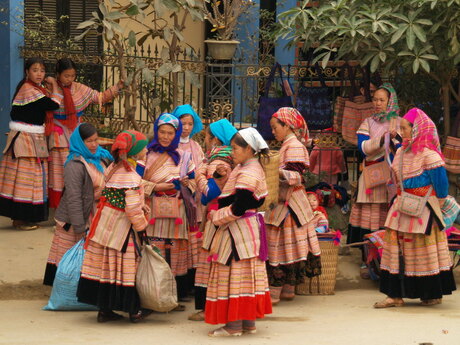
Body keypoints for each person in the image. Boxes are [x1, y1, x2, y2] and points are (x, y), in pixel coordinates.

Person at [374, 108, 457, 308]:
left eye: (405, 127)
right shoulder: (401, 152)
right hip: (400, 208)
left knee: (422, 251)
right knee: (395, 251)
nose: (402, 131)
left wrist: (436, 201)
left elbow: (442, 187)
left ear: (417, 129)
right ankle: (395, 295)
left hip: (423, 211)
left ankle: (429, 294)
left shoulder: (430, 156)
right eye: (401, 127)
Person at [205, 127, 272, 337]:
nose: (231, 152)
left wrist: (217, 217)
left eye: (234, 148)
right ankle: (247, 323)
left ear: (249, 149)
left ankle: (233, 326)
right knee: (247, 275)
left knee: (233, 274)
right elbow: (235, 196)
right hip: (247, 231)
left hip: (237, 230)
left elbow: (240, 205)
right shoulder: (248, 167)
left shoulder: (248, 171)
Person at [77, 130, 149, 323]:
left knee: (106, 267)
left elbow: (117, 197)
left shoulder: (114, 168)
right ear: (135, 152)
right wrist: (142, 228)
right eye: (144, 148)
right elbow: (132, 209)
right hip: (121, 229)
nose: (147, 150)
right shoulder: (130, 176)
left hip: (104, 224)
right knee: (125, 269)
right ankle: (133, 310)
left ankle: (105, 310)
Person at [43, 123, 112, 286]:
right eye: (89, 141)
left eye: (96, 140)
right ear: (80, 142)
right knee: (69, 255)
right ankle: (64, 290)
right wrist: (79, 227)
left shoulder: (102, 157)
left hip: (96, 213)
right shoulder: (75, 164)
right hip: (76, 217)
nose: (94, 144)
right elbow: (73, 198)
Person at [48, 58, 123, 208]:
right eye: (66, 76)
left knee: (79, 169)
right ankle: (60, 207)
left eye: (72, 75)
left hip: (77, 135)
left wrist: (117, 87)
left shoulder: (79, 88)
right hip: (58, 136)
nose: (70, 79)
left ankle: (77, 203)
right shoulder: (50, 88)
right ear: (58, 74)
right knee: (60, 172)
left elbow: (99, 97)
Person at [347, 83, 401, 279]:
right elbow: (363, 148)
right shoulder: (367, 122)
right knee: (367, 220)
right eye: (375, 99)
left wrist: (395, 140)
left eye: (381, 100)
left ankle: (386, 261)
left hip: (390, 180)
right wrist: (383, 140)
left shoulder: (398, 123)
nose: (377, 103)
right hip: (371, 178)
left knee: (386, 220)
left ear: (390, 101)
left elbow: (404, 148)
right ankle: (366, 261)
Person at [0, 57, 62, 230]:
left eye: (42, 70)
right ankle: (20, 219)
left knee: (29, 179)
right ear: (27, 71)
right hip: (25, 139)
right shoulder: (28, 89)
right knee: (25, 178)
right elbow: (54, 104)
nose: (39, 74)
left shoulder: (36, 89)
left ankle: (24, 218)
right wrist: (56, 86)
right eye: (35, 70)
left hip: (33, 138)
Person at [142, 113, 196, 307]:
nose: (165, 137)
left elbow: (195, 181)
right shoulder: (145, 154)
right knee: (155, 251)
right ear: (156, 132)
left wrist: (185, 183)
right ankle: (153, 294)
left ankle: (175, 295)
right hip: (152, 211)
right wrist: (156, 187)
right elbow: (135, 182)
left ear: (177, 134)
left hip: (177, 213)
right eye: (162, 132)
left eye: (170, 133)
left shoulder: (184, 157)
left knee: (175, 253)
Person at [265, 107, 318, 304]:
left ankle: (274, 293)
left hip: (289, 207)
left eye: (275, 127)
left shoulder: (293, 146)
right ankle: (288, 289)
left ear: (286, 126)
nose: (273, 131)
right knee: (290, 248)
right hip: (292, 205)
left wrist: (272, 170)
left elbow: (295, 177)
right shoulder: (290, 144)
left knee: (279, 247)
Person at [189, 119, 237, 322]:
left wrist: (198, 173)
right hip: (226, 217)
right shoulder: (231, 158)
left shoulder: (218, 162)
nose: (206, 142)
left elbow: (209, 193)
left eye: (207, 138)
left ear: (215, 139)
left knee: (209, 261)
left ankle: (207, 309)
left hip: (217, 218)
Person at [171, 104, 205, 295]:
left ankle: (192, 282)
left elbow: (201, 168)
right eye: (183, 123)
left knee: (193, 240)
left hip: (194, 198)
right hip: (176, 198)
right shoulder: (171, 144)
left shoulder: (196, 146)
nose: (186, 127)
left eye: (190, 123)